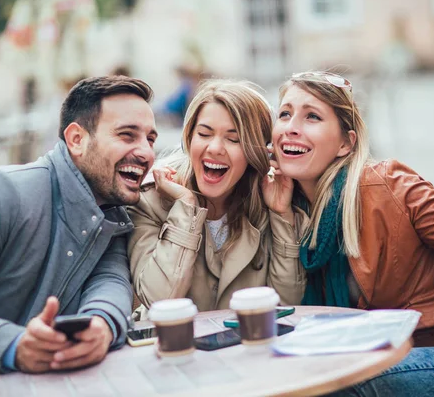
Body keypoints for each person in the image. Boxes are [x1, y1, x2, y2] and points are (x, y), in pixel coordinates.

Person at [268, 70, 434, 396]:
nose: (292, 127)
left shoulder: (387, 184)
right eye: (285, 114)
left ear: (346, 143)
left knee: (334, 386)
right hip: (371, 359)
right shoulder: (283, 204)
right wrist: (279, 216)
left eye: (312, 117)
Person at [0, 76, 157, 396]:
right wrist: (14, 345)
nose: (146, 152)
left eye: (150, 139)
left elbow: (110, 284)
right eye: (127, 135)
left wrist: (102, 327)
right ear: (76, 139)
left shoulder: (113, 218)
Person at [127, 79, 305, 312]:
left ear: (256, 150)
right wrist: (186, 207)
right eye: (204, 134)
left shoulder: (268, 203)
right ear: (189, 139)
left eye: (234, 139)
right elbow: (158, 305)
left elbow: (288, 305)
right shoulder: (151, 202)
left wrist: (282, 215)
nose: (215, 148)